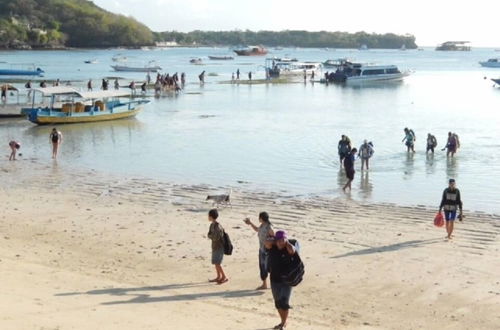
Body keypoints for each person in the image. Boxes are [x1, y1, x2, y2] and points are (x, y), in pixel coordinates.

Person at [264, 230, 297, 330]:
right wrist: (275, 241)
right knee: (278, 302)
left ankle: (283, 323)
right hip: (274, 280)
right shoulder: (272, 247)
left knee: (284, 302)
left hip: (287, 280)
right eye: (279, 240)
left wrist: (285, 242)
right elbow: (266, 243)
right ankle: (283, 321)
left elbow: (293, 251)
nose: (281, 242)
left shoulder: (289, 247)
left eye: (283, 240)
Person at [244, 212, 275, 290]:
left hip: (268, 251)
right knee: (262, 267)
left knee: (270, 267)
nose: (258, 219)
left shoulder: (269, 227)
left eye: (259, 217)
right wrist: (250, 223)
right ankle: (264, 284)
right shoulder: (262, 225)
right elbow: (257, 230)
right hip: (261, 250)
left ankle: (275, 284)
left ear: (261, 218)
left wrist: (268, 244)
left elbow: (274, 238)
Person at [207, 209, 228, 284]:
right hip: (215, 246)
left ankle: (224, 277)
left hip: (219, 247)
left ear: (211, 217)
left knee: (217, 263)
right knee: (216, 262)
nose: (207, 217)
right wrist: (211, 236)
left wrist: (211, 236)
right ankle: (218, 276)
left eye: (208, 216)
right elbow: (209, 234)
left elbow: (215, 237)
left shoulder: (218, 227)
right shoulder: (212, 225)